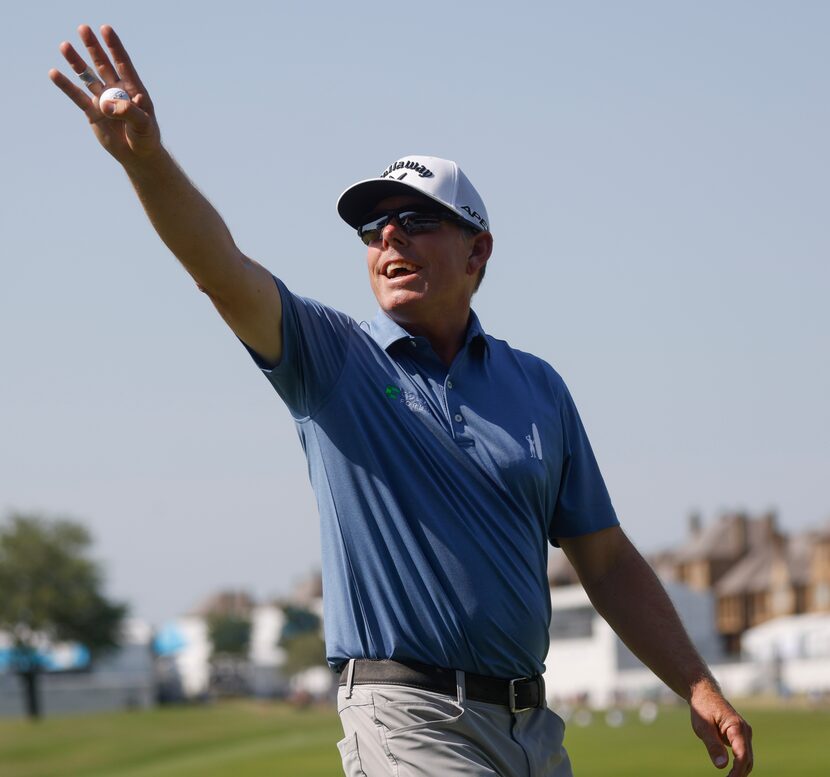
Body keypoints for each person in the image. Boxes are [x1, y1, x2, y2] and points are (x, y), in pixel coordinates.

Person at [50, 24, 754, 777]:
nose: (389, 236)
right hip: (406, 717)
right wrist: (146, 161)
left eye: (416, 219)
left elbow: (606, 559)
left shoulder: (539, 387)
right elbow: (220, 270)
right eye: (373, 225)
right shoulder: (331, 357)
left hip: (530, 728)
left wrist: (697, 681)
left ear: (478, 250)